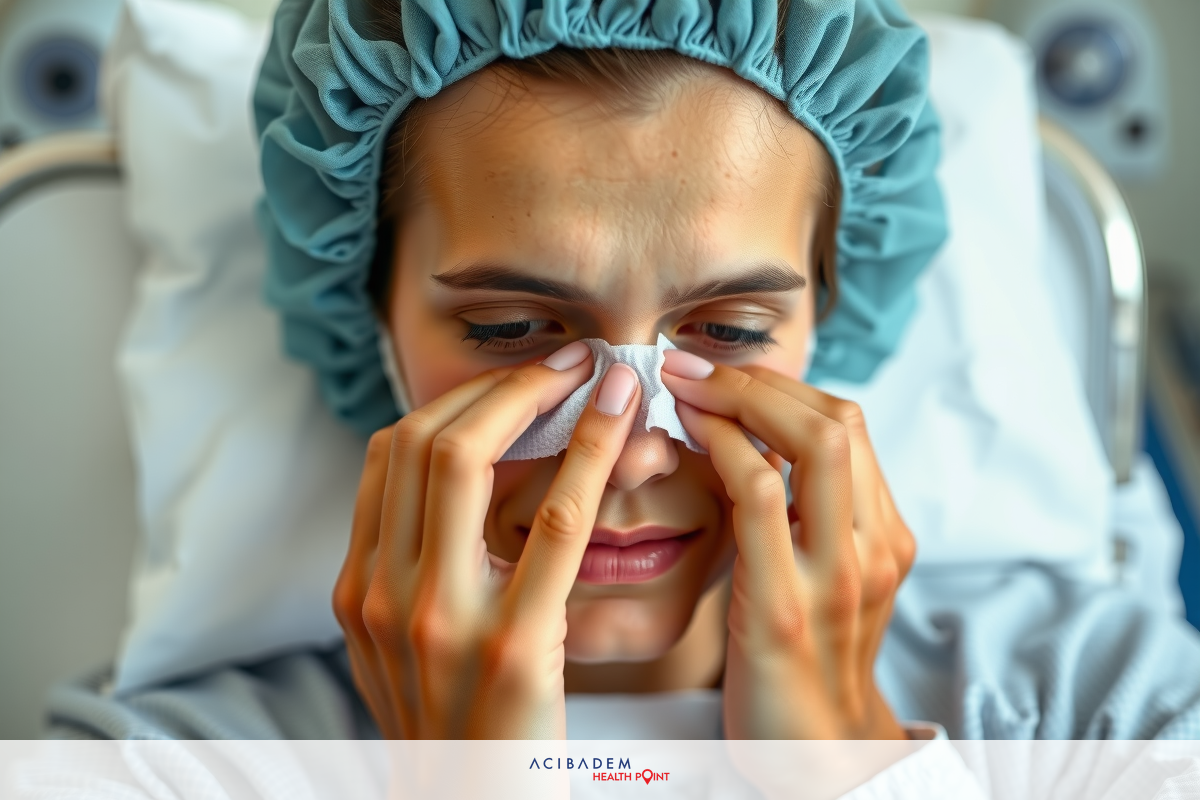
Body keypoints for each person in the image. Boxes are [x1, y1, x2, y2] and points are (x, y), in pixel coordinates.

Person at [47, 0, 1200, 748]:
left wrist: (855, 761)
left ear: (829, 321)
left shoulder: (1105, 702)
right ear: (373, 316)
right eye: (508, 328)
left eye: (733, 329)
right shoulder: (168, 762)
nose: (633, 446)